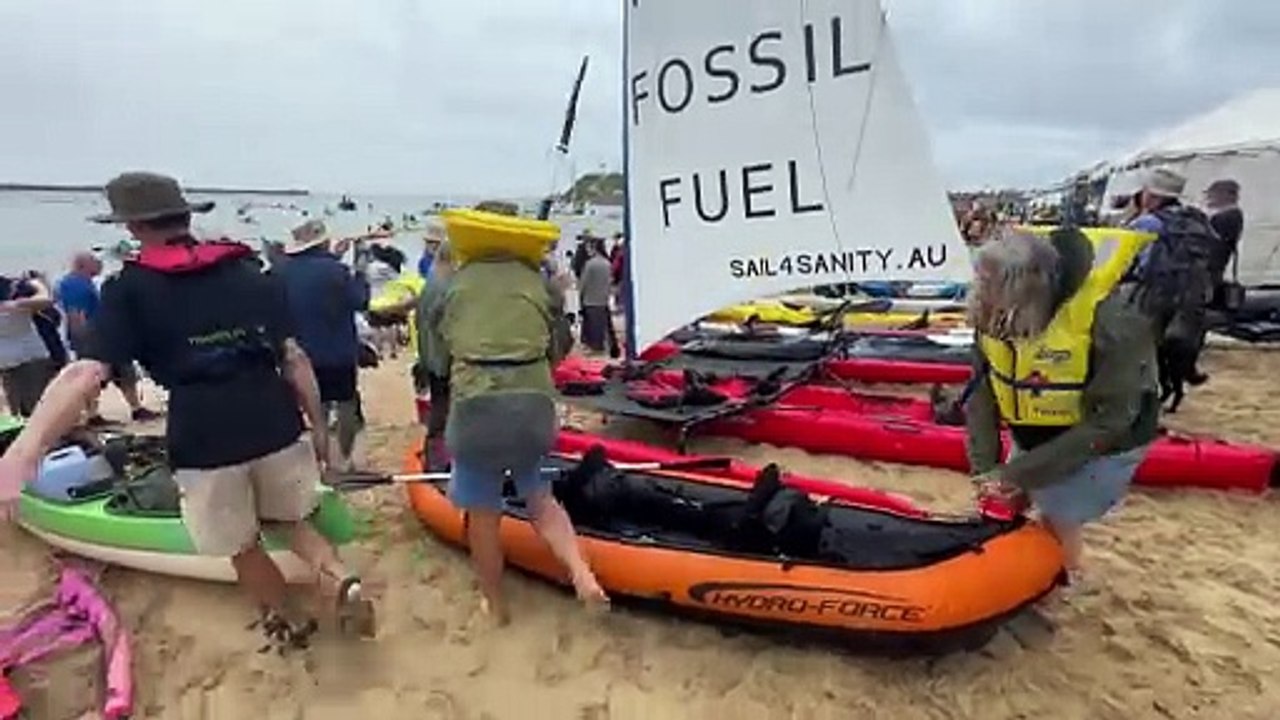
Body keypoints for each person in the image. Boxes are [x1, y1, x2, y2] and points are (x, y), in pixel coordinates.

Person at [0, 172, 374, 647]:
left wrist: (25, 452)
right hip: (275, 420)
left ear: (133, 227)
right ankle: (341, 578)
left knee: (241, 545)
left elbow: (85, 373)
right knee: (290, 520)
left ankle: (287, 621)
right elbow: (294, 357)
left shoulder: (129, 288)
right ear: (184, 217)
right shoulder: (249, 271)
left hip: (205, 435)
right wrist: (318, 427)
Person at [440, 206, 605, 623]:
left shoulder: (454, 285)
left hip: (477, 406)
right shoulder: (540, 282)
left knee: (483, 515)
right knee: (542, 500)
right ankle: (582, 573)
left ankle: (495, 606)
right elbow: (560, 348)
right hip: (533, 403)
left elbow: (440, 357)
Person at [966, 226, 1160, 581]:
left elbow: (1111, 420)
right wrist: (985, 466)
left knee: (1058, 515)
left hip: (1106, 439)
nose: (984, 302)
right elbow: (981, 395)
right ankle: (1015, 563)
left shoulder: (1111, 322)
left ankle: (1066, 577)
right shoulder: (990, 314)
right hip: (1036, 430)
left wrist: (1015, 473)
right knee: (1005, 498)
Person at [276, 220, 371, 472]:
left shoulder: (281, 271)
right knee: (346, 405)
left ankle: (319, 465)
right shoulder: (336, 271)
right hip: (338, 353)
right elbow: (360, 300)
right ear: (323, 243)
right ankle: (344, 460)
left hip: (299, 354)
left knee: (314, 413)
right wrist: (360, 269)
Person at [56, 251, 162, 425]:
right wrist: (84, 341)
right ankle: (93, 414)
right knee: (98, 376)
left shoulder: (83, 283)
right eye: (96, 262)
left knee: (123, 371)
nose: (101, 265)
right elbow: (76, 314)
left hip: (105, 335)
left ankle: (135, 408)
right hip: (95, 337)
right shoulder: (75, 284)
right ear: (83, 265)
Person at [416, 241, 454, 471]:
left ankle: (435, 457)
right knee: (444, 410)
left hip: (430, 355)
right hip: (443, 357)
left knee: (439, 406)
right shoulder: (446, 285)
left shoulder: (431, 281)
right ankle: (439, 461)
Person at [0, 274, 59, 417]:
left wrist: (18, 304)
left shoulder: (12, 289)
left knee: (36, 410)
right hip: (9, 364)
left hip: (30, 359)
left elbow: (46, 300)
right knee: (19, 412)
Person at [1204, 179, 1244, 308]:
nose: (1209, 199)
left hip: (1212, 264)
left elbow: (1214, 245)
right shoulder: (1229, 215)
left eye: (1213, 195)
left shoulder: (1228, 216)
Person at [577, 239, 613, 354]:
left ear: (594, 248)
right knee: (600, 324)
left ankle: (594, 347)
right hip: (603, 299)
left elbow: (583, 283)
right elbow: (610, 282)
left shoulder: (590, 264)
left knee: (591, 325)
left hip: (590, 299)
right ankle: (600, 345)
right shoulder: (607, 263)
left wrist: (580, 296)